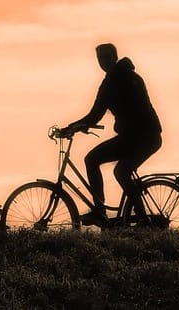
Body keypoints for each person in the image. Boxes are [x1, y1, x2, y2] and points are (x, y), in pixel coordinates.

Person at [63, 43, 163, 226]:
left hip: (143, 137)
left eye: (106, 57)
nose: (103, 61)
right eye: (100, 58)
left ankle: (132, 217)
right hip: (138, 136)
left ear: (115, 57)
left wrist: (73, 127)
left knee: (110, 167)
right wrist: (76, 126)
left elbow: (96, 115)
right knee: (109, 166)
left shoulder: (121, 80)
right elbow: (96, 114)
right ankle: (116, 214)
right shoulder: (118, 79)